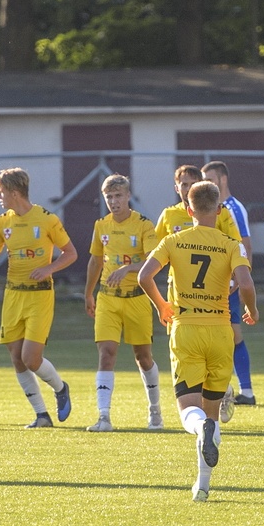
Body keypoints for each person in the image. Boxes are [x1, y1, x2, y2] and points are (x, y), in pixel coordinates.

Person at [139, 180, 258, 502]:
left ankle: (198, 430)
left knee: (189, 410)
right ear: (219, 210)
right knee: (213, 411)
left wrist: (162, 305)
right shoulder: (231, 244)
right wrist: (252, 309)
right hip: (221, 331)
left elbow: (144, 276)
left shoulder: (173, 240)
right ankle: (202, 486)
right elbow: (245, 282)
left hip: (186, 328)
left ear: (188, 209)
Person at [0, 168, 77, 428]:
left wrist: (48, 268)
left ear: (14, 193)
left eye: (1, 193)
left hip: (40, 296)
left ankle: (60, 387)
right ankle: (41, 415)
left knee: (31, 358)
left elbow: (70, 253)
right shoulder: (2, 222)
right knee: (16, 358)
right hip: (13, 295)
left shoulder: (46, 219)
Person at [155, 164, 243, 423]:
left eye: (189, 183)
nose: (185, 188)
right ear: (176, 187)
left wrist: (230, 285)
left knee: (191, 374)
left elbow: (146, 269)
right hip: (181, 300)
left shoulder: (222, 218)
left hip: (204, 303)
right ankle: (218, 395)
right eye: (181, 184)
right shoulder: (169, 216)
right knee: (205, 361)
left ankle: (210, 402)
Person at [83, 174, 163, 432]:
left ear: (128, 196)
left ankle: (155, 411)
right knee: (106, 353)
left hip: (137, 299)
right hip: (108, 298)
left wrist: (128, 269)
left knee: (143, 357)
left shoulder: (143, 225)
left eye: (118, 196)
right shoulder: (101, 226)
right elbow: (95, 261)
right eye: (109, 197)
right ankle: (104, 417)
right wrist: (88, 293)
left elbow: (154, 262)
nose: (114, 202)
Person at [202, 160, 257, 405]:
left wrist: (239, 279)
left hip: (229, 283)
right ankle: (224, 389)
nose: (208, 185)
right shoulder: (211, 206)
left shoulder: (231, 207)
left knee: (233, 335)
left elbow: (245, 243)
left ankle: (245, 390)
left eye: (211, 180)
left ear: (222, 180)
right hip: (212, 283)